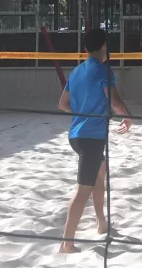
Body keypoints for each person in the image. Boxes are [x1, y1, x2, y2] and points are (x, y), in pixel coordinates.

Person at [57, 27, 134, 252]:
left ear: (84, 48)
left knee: (101, 172)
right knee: (83, 189)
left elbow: (61, 104)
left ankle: (101, 222)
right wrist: (127, 117)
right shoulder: (103, 70)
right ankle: (66, 242)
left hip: (77, 135)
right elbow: (115, 102)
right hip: (91, 138)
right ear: (104, 47)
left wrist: (82, 112)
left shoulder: (76, 71)